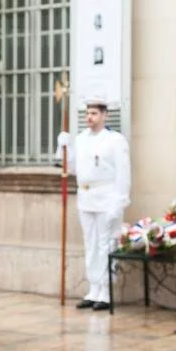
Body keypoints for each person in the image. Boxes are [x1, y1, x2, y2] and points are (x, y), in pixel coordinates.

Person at [57, 98, 130, 310]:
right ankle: (93, 289)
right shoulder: (81, 139)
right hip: (86, 196)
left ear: (105, 115)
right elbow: (71, 168)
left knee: (106, 244)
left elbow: (123, 173)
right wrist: (65, 147)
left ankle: (106, 292)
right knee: (90, 244)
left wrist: (120, 200)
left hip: (107, 196)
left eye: (94, 113)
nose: (89, 117)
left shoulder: (115, 140)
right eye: (87, 113)